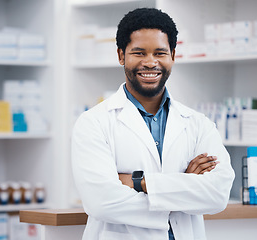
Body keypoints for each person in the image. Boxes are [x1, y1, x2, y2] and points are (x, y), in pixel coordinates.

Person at [72, 8, 235, 240]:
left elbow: (217, 195)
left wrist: (138, 182)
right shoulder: (93, 123)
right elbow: (102, 202)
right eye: (139, 53)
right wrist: (185, 187)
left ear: (173, 55)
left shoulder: (198, 124)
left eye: (159, 53)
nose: (150, 63)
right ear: (121, 56)